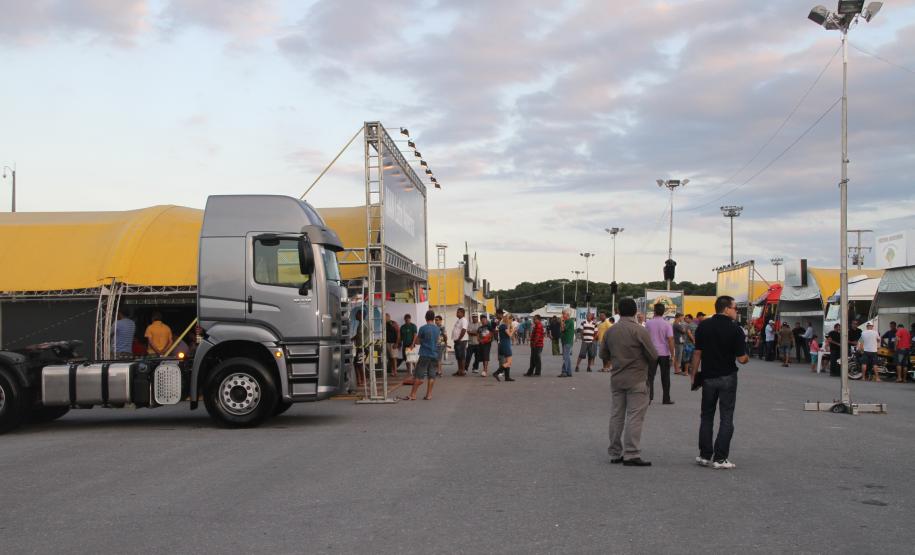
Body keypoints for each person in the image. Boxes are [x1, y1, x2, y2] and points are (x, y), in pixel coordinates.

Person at [689, 295, 749, 470]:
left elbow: (697, 353)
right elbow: (741, 358)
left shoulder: (704, 326)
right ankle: (720, 457)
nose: (736, 311)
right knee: (726, 416)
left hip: (708, 376)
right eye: (735, 308)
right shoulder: (735, 329)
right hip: (728, 376)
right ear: (726, 309)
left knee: (706, 415)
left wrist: (694, 374)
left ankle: (704, 455)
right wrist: (746, 358)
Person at [600, 297, 657, 467]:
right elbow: (653, 355)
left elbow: (603, 355)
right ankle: (631, 453)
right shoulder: (639, 331)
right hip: (637, 378)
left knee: (616, 415)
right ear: (635, 312)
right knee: (634, 416)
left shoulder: (611, 331)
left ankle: (615, 452)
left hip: (617, 378)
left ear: (618, 311)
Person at [404, 310, 440, 401]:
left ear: (426, 318)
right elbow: (437, 340)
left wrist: (421, 341)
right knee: (431, 376)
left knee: (418, 376)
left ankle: (413, 394)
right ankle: (429, 395)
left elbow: (417, 341)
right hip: (434, 354)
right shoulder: (437, 329)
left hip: (424, 354)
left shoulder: (423, 328)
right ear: (433, 318)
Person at [644, 303, 675, 404]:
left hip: (652, 352)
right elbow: (670, 340)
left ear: (655, 311)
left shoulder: (648, 323)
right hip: (664, 353)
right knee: (665, 377)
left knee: (650, 376)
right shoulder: (667, 324)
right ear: (663, 312)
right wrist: (672, 355)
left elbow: (645, 339)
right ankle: (666, 399)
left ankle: (649, 397)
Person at [492, 313, 515, 382]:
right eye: (511, 319)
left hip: (504, 344)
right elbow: (510, 335)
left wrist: (511, 327)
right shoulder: (503, 326)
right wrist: (513, 329)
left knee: (508, 361)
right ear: (508, 319)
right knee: (509, 362)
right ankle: (496, 373)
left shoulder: (504, 326)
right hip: (505, 345)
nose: (512, 321)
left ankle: (507, 377)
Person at [451, 308, 469, 376]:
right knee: (458, 356)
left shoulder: (464, 320)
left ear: (462, 313)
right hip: (457, 340)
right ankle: (459, 370)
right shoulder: (459, 320)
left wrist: (459, 339)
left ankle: (463, 371)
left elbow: (464, 330)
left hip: (461, 340)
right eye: (457, 312)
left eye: (458, 312)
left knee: (462, 356)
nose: (457, 313)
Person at [558, 309, 575, 377]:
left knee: (565, 357)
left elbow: (563, 329)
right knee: (567, 357)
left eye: (563, 314)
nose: (562, 315)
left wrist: (561, 321)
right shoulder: (567, 321)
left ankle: (564, 371)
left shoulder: (569, 321)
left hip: (567, 341)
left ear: (567, 315)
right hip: (565, 340)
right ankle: (569, 372)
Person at [385, 313, 400, 378]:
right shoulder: (384, 324)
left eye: (385, 317)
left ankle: (395, 371)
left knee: (394, 358)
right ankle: (392, 371)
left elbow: (398, 333)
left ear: (388, 317)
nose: (384, 319)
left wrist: (397, 343)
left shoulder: (394, 323)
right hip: (387, 343)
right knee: (390, 358)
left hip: (393, 343)